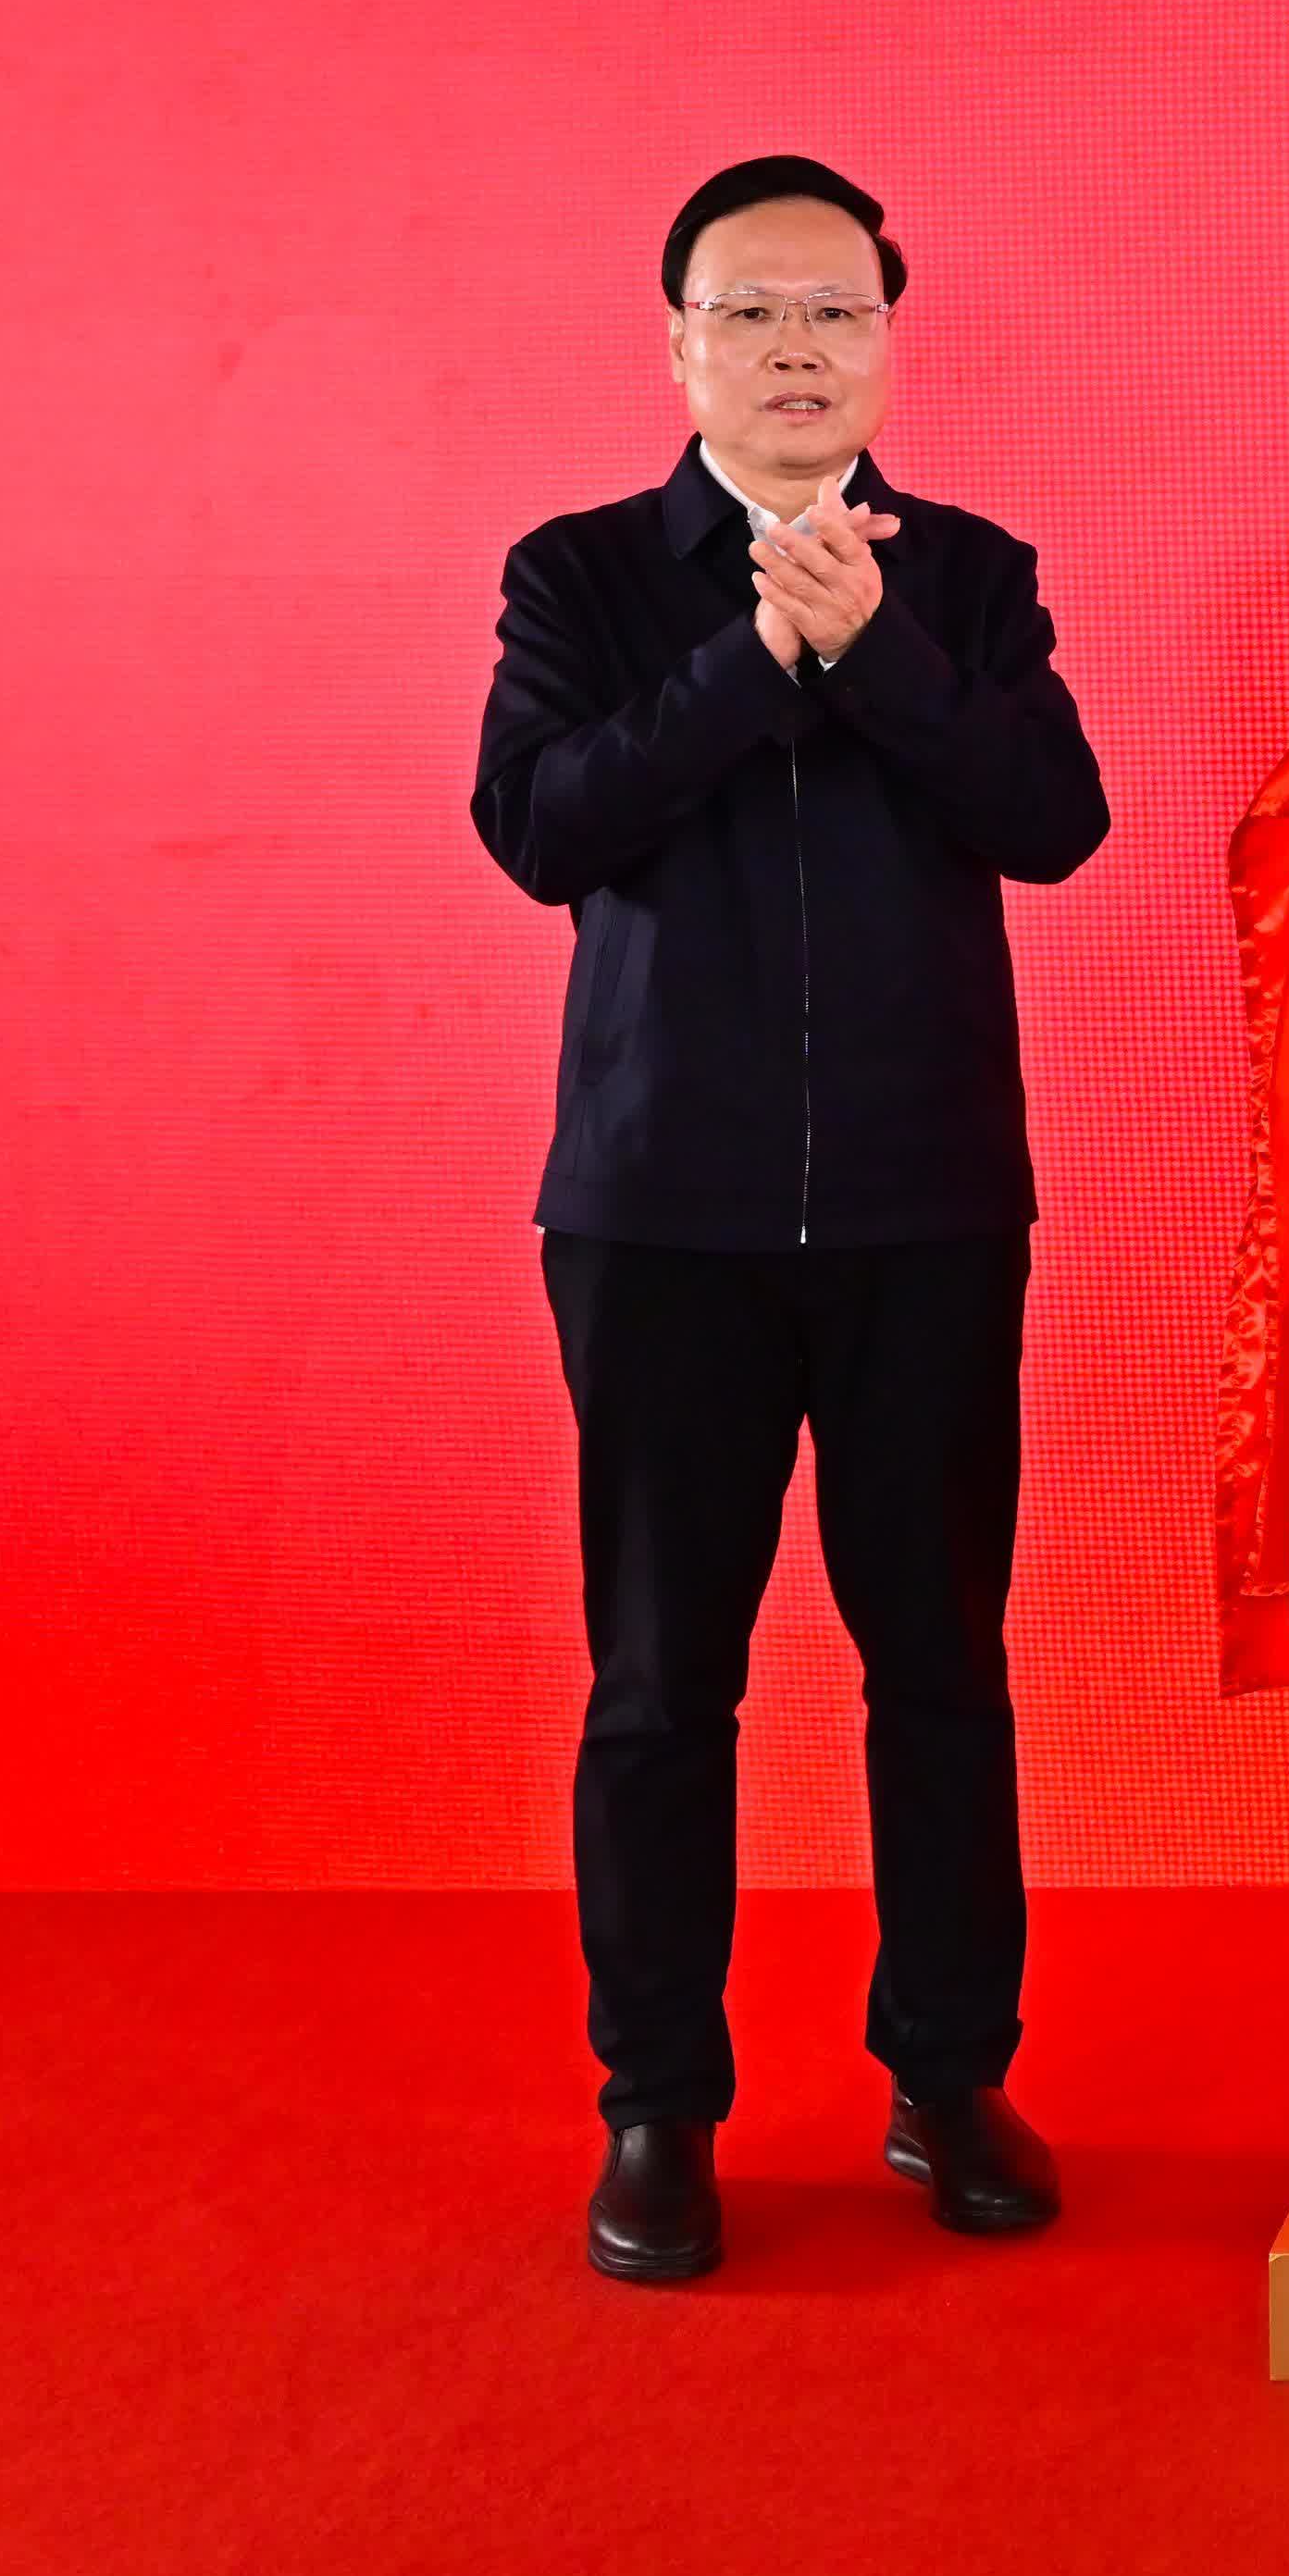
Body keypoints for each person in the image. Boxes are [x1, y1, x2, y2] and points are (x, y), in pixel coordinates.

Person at [473, 155, 1112, 2284]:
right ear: (678, 350)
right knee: (666, 1677)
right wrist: (759, 652)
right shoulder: (584, 576)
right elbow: (542, 828)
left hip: (930, 1205)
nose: (794, 348)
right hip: (665, 1211)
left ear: (889, 344)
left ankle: (948, 2077)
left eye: (835, 310)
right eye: (747, 311)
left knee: (940, 1661)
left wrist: (882, 653)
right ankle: (658, 2105)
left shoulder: (973, 577)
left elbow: (1054, 821)